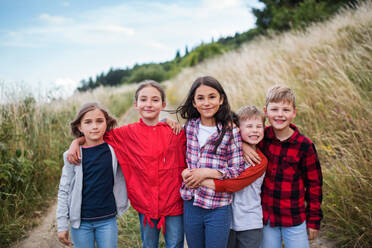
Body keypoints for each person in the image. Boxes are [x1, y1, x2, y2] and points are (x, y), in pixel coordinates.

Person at [67, 80, 186, 248]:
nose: (149, 104)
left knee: (175, 244)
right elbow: (97, 136)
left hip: (174, 202)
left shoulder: (175, 132)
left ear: (163, 104)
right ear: (136, 105)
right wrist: (77, 142)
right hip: (146, 204)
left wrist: (166, 120)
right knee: (149, 244)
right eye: (143, 100)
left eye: (155, 100)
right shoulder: (126, 134)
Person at [244, 85, 323, 248]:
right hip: (267, 218)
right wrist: (244, 146)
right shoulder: (260, 137)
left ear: (294, 112)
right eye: (275, 109)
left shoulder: (304, 146)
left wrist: (314, 220)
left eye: (286, 110)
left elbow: (314, 186)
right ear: (266, 111)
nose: (280, 115)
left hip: (294, 217)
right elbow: (235, 131)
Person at [176, 76, 246, 248]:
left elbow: (237, 169)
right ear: (193, 102)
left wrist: (207, 173)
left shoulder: (230, 131)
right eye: (200, 98)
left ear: (221, 99)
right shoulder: (189, 127)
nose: (206, 102)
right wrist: (185, 172)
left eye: (212, 97)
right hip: (191, 203)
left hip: (218, 206)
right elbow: (175, 155)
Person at [56, 102, 129, 248]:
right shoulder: (73, 155)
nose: (95, 126)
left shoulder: (115, 150)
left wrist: (165, 121)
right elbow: (64, 189)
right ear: (79, 127)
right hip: (81, 221)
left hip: (108, 219)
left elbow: (143, 131)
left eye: (99, 121)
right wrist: (62, 224)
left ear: (106, 123)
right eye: (88, 122)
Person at [201, 105, 268, 248]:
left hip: (250, 222)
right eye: (249, 126)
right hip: (226, 220)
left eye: (259, 126)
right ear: (238, 129)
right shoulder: (228, 153)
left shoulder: (260, 160)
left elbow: (234, 184)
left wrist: (200, 180)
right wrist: (241, 144)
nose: (255, 130)